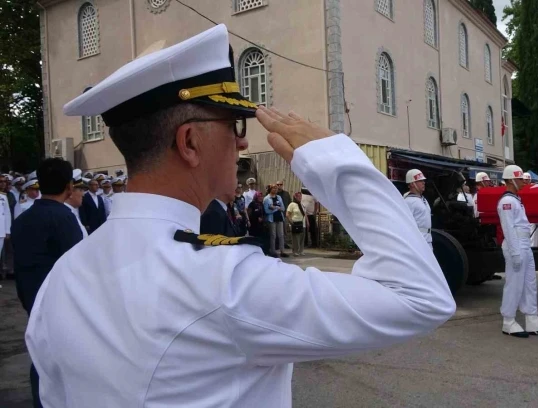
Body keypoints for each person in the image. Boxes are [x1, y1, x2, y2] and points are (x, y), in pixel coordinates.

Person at [25, 24, 454, 407]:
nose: (243, 144)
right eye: (235, 126)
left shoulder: (63, 277)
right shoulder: (222, 281)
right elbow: (420, 297)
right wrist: (334, 159)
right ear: (190, 142)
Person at [13, 158, 83, 407]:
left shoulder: (22, 220)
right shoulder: (63, 218)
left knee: (41, 358)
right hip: (61, 303)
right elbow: (77, 267)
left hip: (32, 299)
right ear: (69, 186)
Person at [497, 165, 538, 338]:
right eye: (520, 179)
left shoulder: (515, 199)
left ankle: (532, 319)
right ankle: (508, 321)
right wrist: (515, 253)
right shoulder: (507, 201)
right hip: (516, 245)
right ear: (511, 180)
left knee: (529, 283)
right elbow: (508, 229)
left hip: (524, 244)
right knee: (514, 284)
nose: (523, 182)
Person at [403, 169, 432, 248]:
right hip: (418, 241)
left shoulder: (423, 199)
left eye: (423, 180)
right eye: (420, 181)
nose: (423, 183)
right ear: (412, 184)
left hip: (428, 240)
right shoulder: (408, 201)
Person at [263, 184, 287, 257]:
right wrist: (276, 208)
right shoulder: (267, 199)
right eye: (274, 188)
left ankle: (282, 251)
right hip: (271, 219)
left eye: (276, 189)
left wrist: (275, 208)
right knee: (273, 235)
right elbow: (266, 211)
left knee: (281, 235)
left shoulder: (279, 197)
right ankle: (273, 251)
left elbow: (283, 208)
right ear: (270, 189)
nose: (275, 190)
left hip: (280, 218)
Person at [65, 170, 89, 239]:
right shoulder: (66, 216)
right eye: (81, 190)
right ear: (71, 193)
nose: (83, 194)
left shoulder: (72, 211)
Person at [286, 192, 307, 256]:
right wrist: (290, 221)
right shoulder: (292, 204)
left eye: (300, 196)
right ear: (295, 197)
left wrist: (307, 222)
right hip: (295, 223)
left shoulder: (302, 204)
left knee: (302, 238)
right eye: (298, 196)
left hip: (302, 223)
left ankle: (301, 250)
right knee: (296, 238)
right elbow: (287, 214)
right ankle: (295, 251)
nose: (299, 198)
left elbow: (305, 214)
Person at [0, 176, 11, 264]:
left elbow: (7, 213)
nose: (3, 183)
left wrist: (7, 230)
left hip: (1, 230)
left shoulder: (3, 196)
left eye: (4, 182)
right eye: (1, 181)